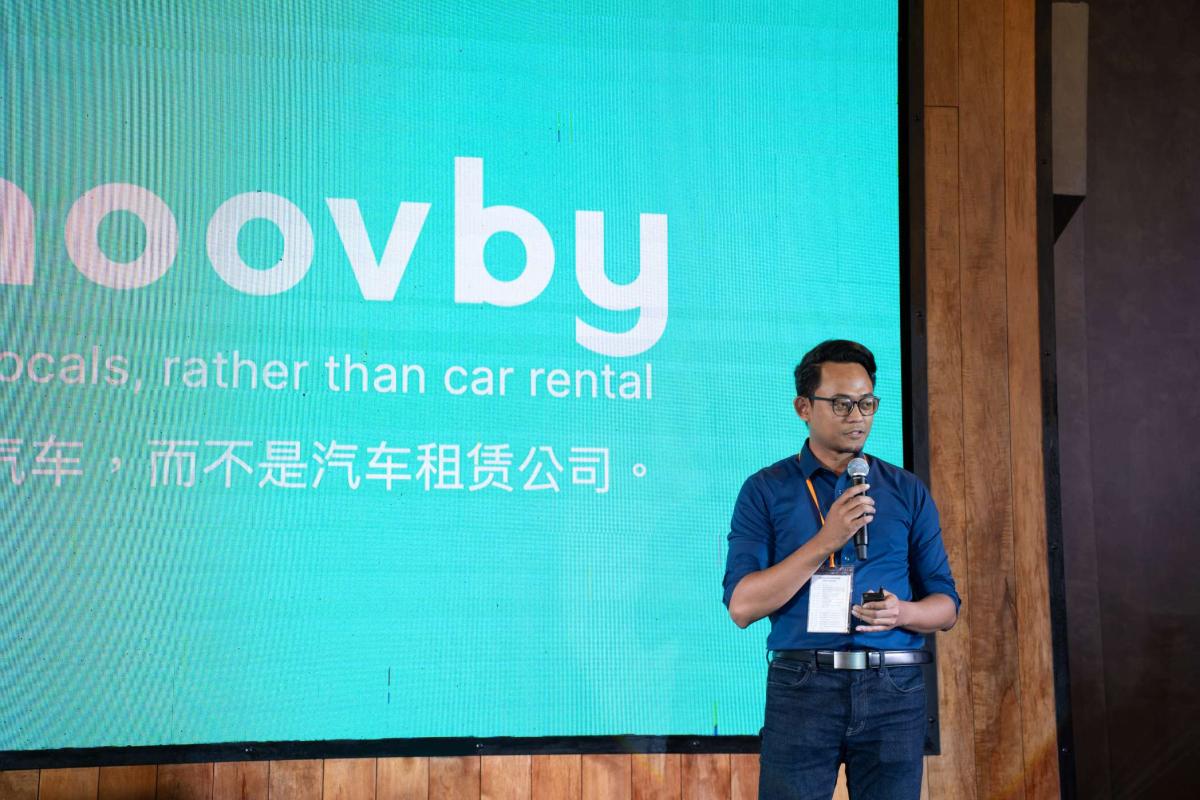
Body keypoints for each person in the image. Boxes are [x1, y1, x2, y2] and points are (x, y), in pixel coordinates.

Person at [723, 339, 959, 800]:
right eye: (842, 404)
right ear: (803, 407)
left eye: (867, 403)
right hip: (803, 685)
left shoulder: (906, 490)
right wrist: (825, 542)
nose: (857, 416)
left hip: (894, 687)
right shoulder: (765, 490)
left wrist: (903, 612)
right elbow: (742, 606)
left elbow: (947, 606)